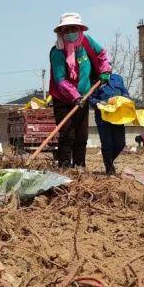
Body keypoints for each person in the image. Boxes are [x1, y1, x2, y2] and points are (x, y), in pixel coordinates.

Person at [48, 12, 111, 169]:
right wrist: (75, 96)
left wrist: (105, 70)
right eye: (67, 30)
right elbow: (60, 79)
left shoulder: (87, 42)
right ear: (61, 33)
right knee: (67, 135)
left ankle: (80, 167)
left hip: (84, 96)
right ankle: (64, 167)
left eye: (73, 29)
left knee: (81, 136)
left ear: (79, 29)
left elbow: (101, 54)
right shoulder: (57, 52)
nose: (70, 33)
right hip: (63, 99)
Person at [90, 73, 129, 174]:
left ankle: (109, 161)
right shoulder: (95, 80)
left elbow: (124, 91)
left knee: (120, 143)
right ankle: (109, 169)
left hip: (117, 116)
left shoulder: (117, 78)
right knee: (107, 144)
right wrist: (98, 103)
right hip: (103, 116)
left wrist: (125, 98)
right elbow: (90, 98)